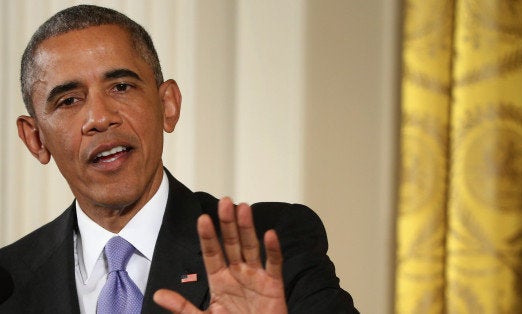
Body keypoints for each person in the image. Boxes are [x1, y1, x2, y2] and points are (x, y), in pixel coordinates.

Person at [0, 4, 357, 314]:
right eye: (69, 101)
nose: (100, 117)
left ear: (168, 105)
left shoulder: (270, 246)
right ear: (35, 138)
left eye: (121, 87)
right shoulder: (9, 279)